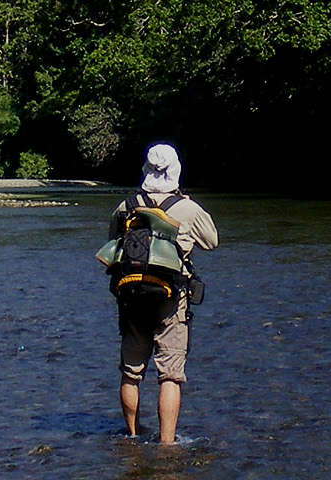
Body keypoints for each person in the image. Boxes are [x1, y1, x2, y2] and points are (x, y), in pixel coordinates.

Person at [111, 142, 217, 445]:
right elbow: (212, 242)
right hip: (172, 298)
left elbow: (112, 241)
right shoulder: (188, 208)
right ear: (175, 171)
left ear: (146, 170)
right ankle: (167, 445)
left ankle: (131, 437)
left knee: (131, 373)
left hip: (131, 296)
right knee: (170, 374)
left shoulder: (126, 206)